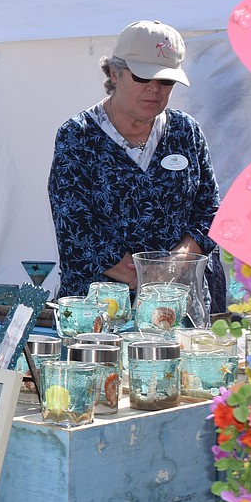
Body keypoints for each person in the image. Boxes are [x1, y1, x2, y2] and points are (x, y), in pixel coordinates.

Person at [47, 19, 221, 306]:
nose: (154, 89)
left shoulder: (186, 132)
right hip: (101, 309)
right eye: (142, 77)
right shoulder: (78, 135)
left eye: (165, 80)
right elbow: (73, 223)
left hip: (179, 301)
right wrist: (140, 276)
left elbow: (210, 210)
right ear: (115, 73)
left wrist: (178, 261)